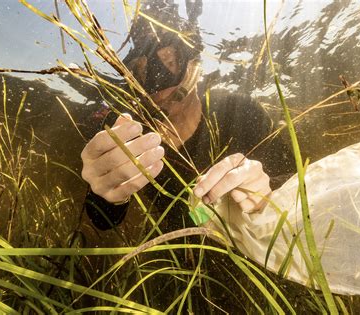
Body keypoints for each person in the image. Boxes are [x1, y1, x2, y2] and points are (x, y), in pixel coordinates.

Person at [80, 1, 295, 233]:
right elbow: (104, 220)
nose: (156, 89)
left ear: (192, 67)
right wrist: (105, 193)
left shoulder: (239, 110)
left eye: (169, 64)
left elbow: (295, 179)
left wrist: (266, 193)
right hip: (179, 256)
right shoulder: (131, 136)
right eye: (142, 73)